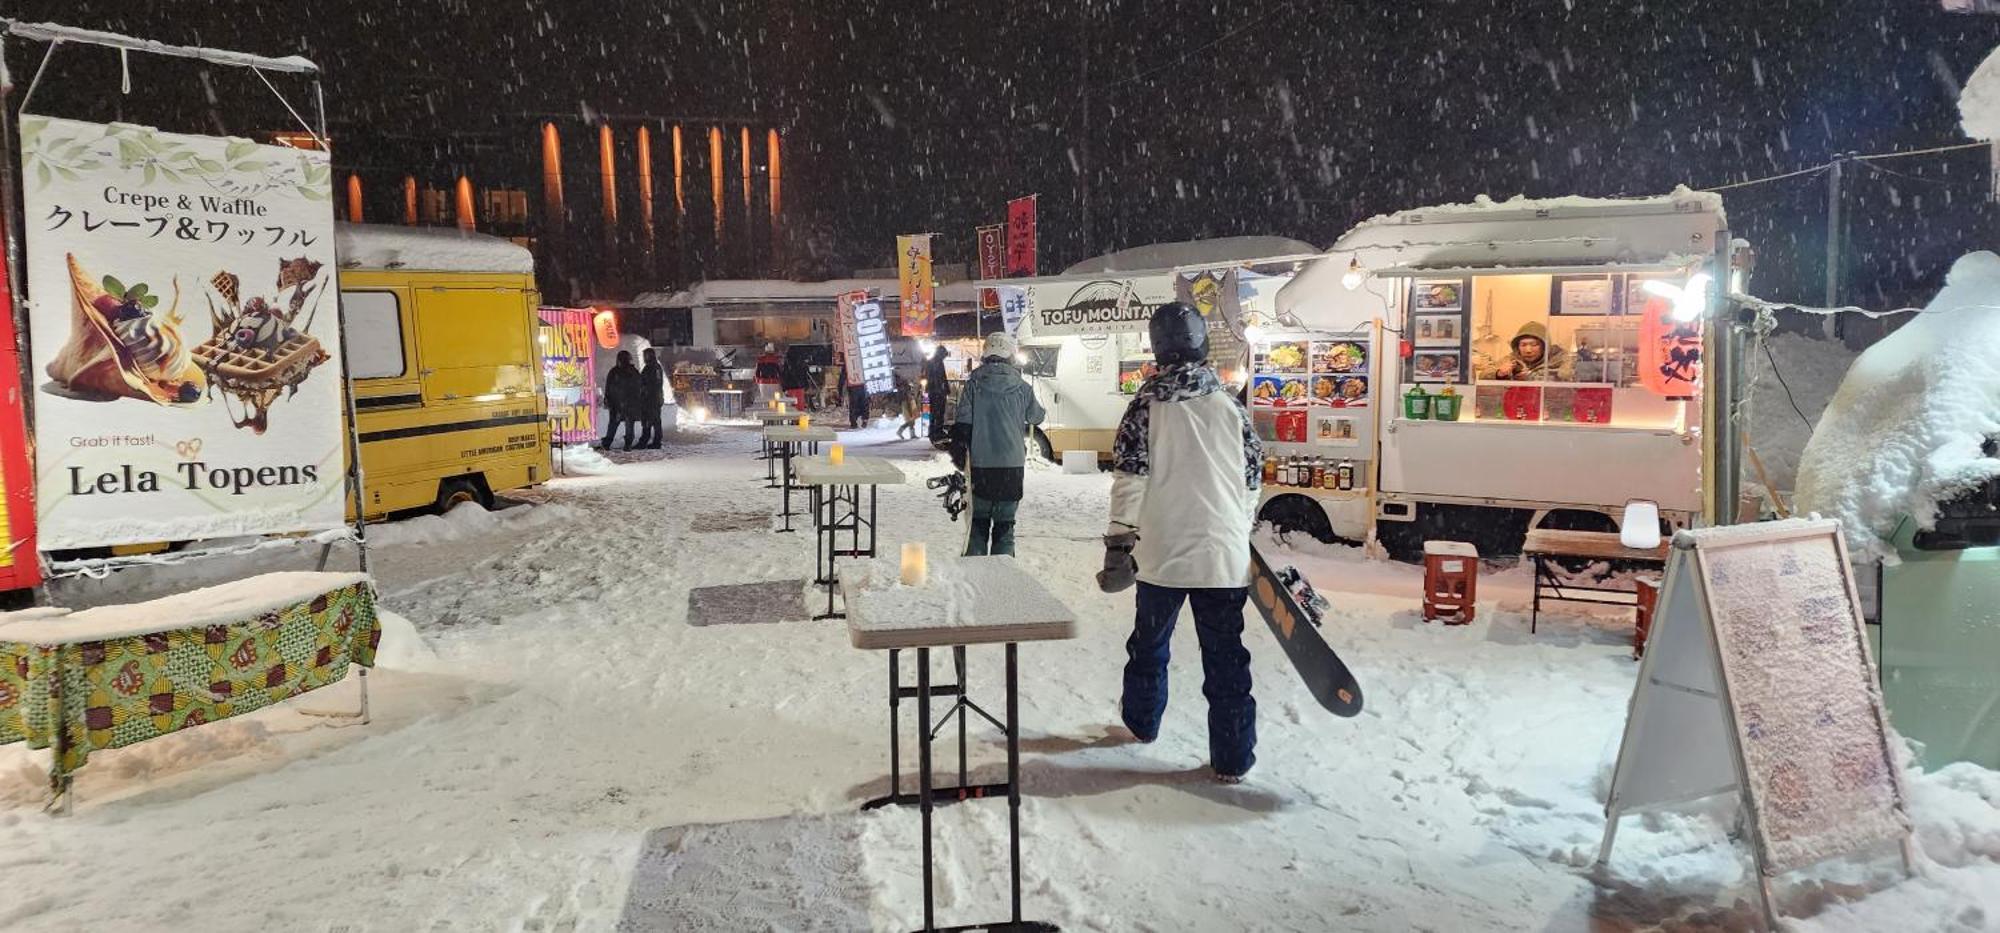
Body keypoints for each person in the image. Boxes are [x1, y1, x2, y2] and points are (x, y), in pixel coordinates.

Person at [1097, 302, 1263, 784]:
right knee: (1227, 659)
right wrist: (1238, 525)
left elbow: (1130, 480)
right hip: (1221, 558)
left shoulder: (1145, 408)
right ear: (1202, 347)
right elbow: (1253, 478)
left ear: (1157, 349)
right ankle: (1232, 759)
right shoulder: (1230, 406)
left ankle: (1142, 723)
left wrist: (1118, 542)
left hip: (1161, 559)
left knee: (1149, 647)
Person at [950, 332, 1044, 557]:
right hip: (1012, 466)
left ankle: (977, 577)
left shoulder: (973, 385)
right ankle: (1004, 577)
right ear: (1010, 355)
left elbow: (962, 423)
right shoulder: (1022, 388)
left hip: (981, 466)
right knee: (1005, 526)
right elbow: (1036, 417)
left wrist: (960, 457)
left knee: (978, 525)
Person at [1480, 321, 1574, 381]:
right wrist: (1499, 373)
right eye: (1523, 345)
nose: (1528, 350)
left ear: (1545, 346)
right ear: (1517, 346)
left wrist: (1531, 378)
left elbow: (1568, 377)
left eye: (1534, 345)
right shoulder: (1513, 358)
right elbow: (1483, 375)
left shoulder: (1559, 357)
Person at [600, 350, 643, 451]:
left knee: (624, 424)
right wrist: (608, 399)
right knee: (618, 424)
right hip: (619, 404)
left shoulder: (627, 371)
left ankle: (623, 444)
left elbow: (638, 387)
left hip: (626, 404)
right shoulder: (617, 371)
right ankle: (609, 443)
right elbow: (609, 387)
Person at [636, 348, 666, 449]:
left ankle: (646, 440)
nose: (644, 358)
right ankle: (655, 440)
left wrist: (643, 390)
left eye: (645, 355)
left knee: (649, 420)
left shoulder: (651, 367)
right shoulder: (655, 366)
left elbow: (650, 383)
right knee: (655, 420)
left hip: (651, 399)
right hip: (655, 398)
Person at [923, 344, 951, 445]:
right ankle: (936, 432)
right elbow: (940, 378)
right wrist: (944, 389)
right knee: (938, 413)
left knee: (934, 413)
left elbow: (941, 378)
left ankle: (934, 431)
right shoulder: (936, 363)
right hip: (937, 392)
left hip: (934, 392)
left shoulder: (932, 362)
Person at [895, 376, 921, 440]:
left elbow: (912, 394)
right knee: (910, 419)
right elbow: (906, 396)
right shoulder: (903, 388)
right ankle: (902, 431)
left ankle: (905, 432)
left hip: (911, 402)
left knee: (912, 419)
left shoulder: (908, 386)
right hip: (906, 403)